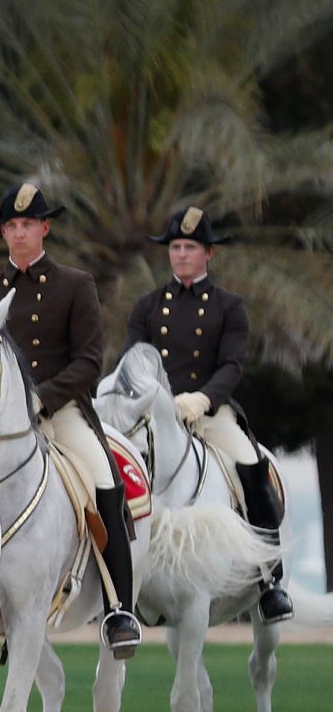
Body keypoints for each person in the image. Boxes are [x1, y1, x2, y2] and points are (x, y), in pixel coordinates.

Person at [0, 182, 141, 655]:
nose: (19, 233)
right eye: (11, 226)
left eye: (27, 224)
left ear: (44, 228)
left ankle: (119, 607)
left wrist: (42, 398)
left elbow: (89, 360)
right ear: (3, 232)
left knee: (105, 482)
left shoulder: (74, 284)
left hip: (59, 413)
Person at [125, 207, 292, 621]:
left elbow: (232, 365)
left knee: (251, 465)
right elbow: (134, 363)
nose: (181, 254)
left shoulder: (228, 307)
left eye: (190, 247)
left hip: (210, 414)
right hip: (158, 418)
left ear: (208, 254)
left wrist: (201, 399)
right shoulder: (148, 307)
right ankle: (116, 582)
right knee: (118, 472)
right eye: (176, 247)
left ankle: (270, 580)